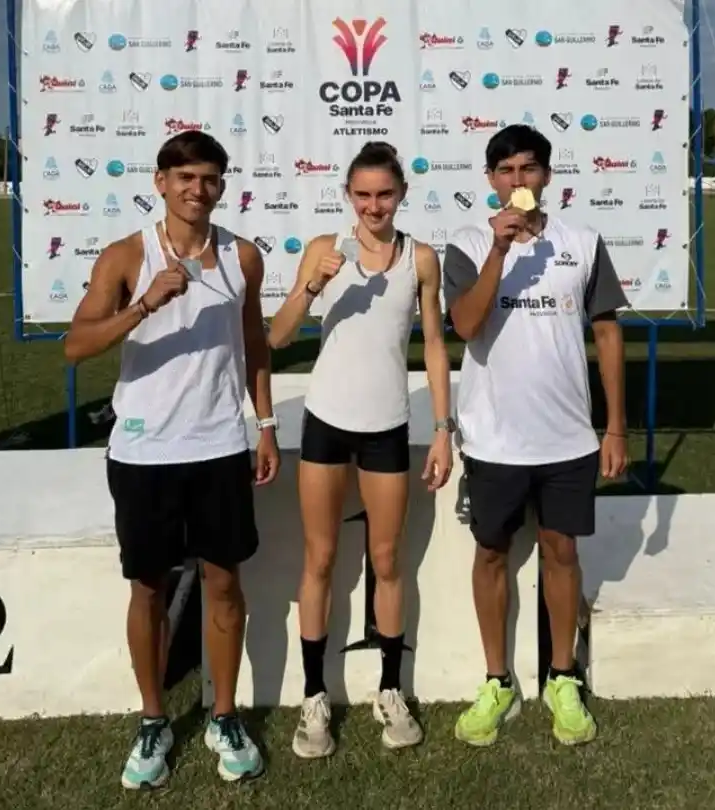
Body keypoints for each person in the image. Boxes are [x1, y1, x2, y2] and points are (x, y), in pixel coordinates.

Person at [64, 130, 279, 788]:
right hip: (144, 451)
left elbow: (254, 345)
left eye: (209, 178)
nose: (197, 188)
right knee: (148, 588)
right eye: (184, 176)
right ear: (160, 183)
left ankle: (222, 714)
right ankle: (154, 718)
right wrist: (142, 305)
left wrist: (264, 424)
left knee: (224, 584)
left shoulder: (242, 256)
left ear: (222, 185)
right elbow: (76, 345)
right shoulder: (126, 256)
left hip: (217, 445)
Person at [442, 124, 629, 747]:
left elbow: (606, 334)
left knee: (562, 553)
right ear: (490, 180)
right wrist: (500, 252)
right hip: (494, 438)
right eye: (505, 171)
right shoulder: (468, 243)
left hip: (568, 438)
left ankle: (562, 675)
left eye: (528, 169)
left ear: (547, 176)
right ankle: (497, 679)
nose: (517, 182)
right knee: (491, 553)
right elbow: (467, 326)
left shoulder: (583, 241)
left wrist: (616, 426)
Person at [268, 141, 453, 758]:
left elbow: (431, 346)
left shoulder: (420, 259)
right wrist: (311, 286)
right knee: (319, 559)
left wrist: (445, 428)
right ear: (348, 196)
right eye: (363, 195)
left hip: (386, 425)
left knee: (388, 559)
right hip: (326, 422)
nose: (374, 206)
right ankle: (315, 696)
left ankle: (389, 690)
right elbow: (277, 335)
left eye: (385, 194)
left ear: (401, 194)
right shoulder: (325, 250)